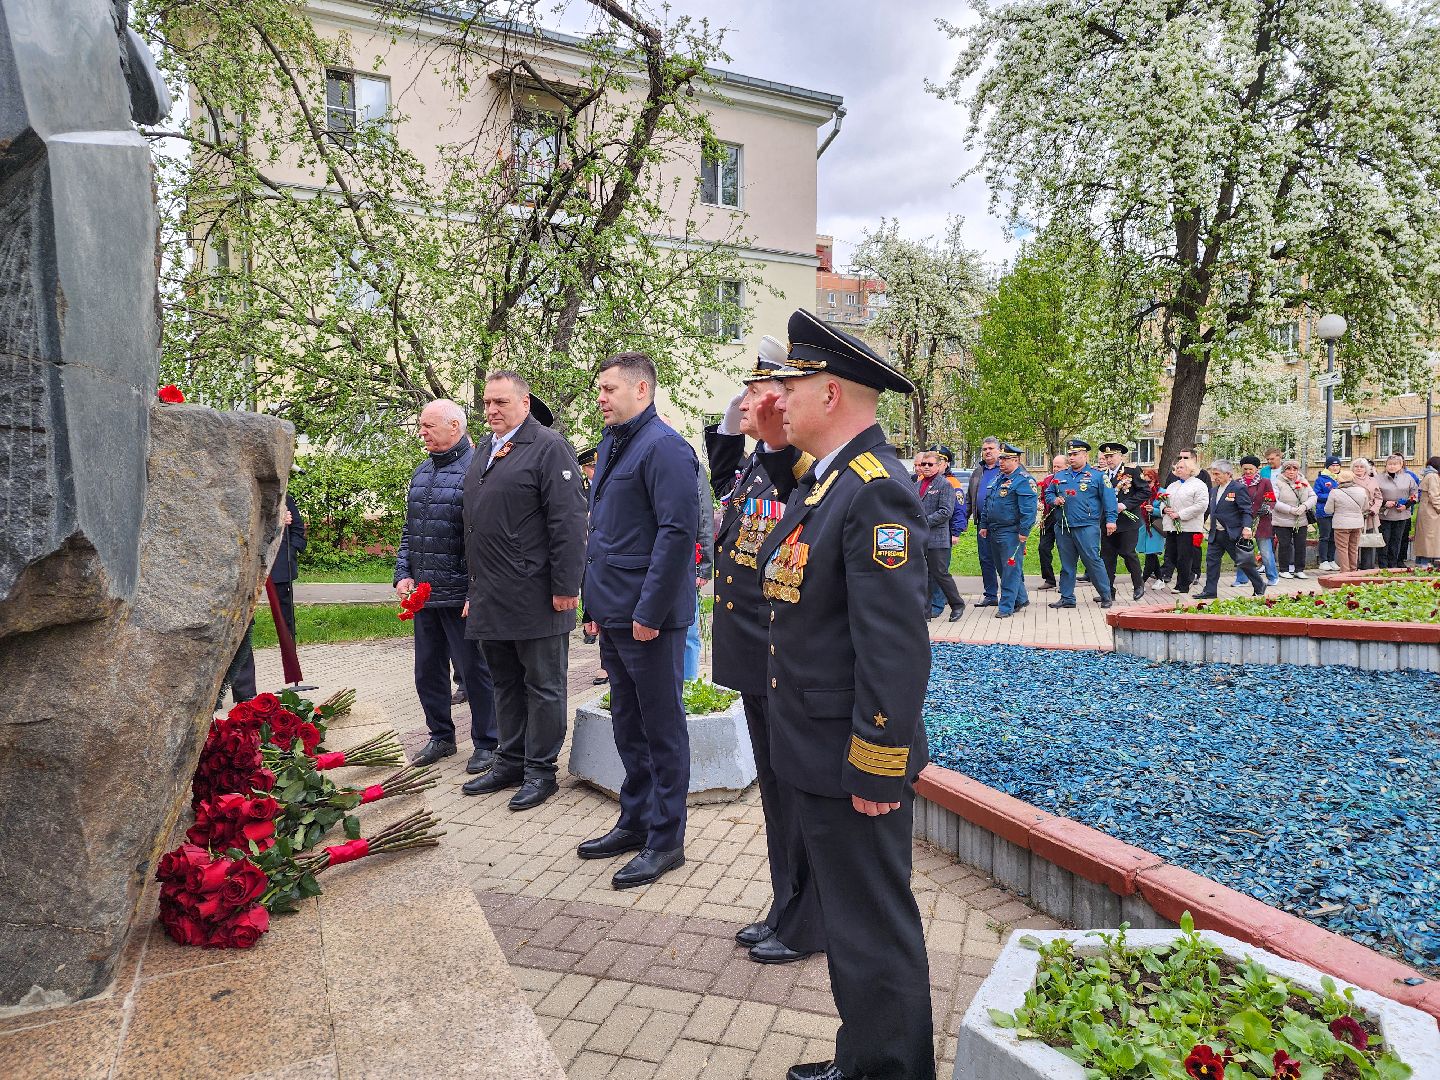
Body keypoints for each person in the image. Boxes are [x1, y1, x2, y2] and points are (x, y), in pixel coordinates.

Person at [758, 308, 934, 1080]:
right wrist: (769, 440)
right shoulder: (831, 480)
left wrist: (877, 762)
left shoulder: (875, 492)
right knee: (853, 925)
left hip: (849, 757)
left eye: (791, 384)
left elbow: (894, 648)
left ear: (830, 393)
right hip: (817, 746)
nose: (778, 397)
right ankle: (865, 1059)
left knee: (873, 928)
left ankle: (891, 1071)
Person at [704, 337, 825, 966]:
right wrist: (737, 416)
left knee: (792, 798)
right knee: (776, 799)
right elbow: (724, 476)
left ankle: (806, 920)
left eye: (758, 392)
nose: (746, 403)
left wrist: (774, 424)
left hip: (779, 655)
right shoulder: (757, 462)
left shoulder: (798, 464)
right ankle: (786, 905)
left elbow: (785, 484)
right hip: (755, 655)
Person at [579, 352, 699, 889]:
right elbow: (604, 530)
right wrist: (595, 606)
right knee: (628, 723)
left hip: (650, 617)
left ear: (642, 390)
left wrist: (648, 612)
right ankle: (635, 820)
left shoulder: (667, 448)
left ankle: (666, 840)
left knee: (662, 728)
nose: (600, 398)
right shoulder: (613, 443)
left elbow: (677, 535)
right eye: (599, 389)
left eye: (608, 389)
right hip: (615, 611)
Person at [459, 374, 587, 810]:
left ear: (525, 402)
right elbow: (474, 526)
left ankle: (541, 770)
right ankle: (509, 761)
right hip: (491, 594)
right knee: (505, 683)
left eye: (501, 402)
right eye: (486, 403)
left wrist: (567, 586)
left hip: (536, 593)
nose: (492, 410)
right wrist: (471, 589)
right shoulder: (485, 449)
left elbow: (568, 521)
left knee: (544, 685)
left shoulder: (549, 447)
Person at [397, 399, 498, 771]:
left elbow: (485, 538)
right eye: (421, 426)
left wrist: (477, 590)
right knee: (427, 671)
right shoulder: (422, 471)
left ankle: (488, 742)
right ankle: (440, 737)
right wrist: (402, 573)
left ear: (455, 427)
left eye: (428, 426)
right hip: (424, 595)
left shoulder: (478, 470)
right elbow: (410, 531)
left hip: (461, 595)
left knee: (475, 671)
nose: (421, 432)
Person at [1044, 439, 1117, 610]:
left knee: (1092, 560)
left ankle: (1106, 595)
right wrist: (1054, 500)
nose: (1071, 458)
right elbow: (1048, 494)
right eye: (1069, 454)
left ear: (1085, 455)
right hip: (1064, 526)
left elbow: (1109, 500)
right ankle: (1067, 597)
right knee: (1067, 564)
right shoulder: (1060, 476)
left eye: (1075, 454)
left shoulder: (1098, 476)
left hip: (1087, 526)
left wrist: (1111, 520)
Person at [980, 443, 1037, 618]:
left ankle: (1006, 607)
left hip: (1012, 532)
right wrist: (983, 525)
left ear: (1017, 460)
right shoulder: (998, 479)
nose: (1002, 462)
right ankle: (1021, 598)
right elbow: (988, 504)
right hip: (994, 530)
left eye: (1006, 459)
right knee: (1002, 569)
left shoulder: (1024, 480)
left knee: (1010, 570)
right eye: (1001, 459)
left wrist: (1024, 532)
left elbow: (1029, 510)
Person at [1195, 460, 1266, 598]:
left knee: (1243, 562)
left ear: (1228, 474)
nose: (1214, 477)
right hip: (1216, 534)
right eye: (1213, 474)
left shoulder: (1238, 488)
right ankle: (1210, 591)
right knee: (1212, 563)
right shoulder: (1214, 490)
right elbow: (1212, 511)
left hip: (1232, 533)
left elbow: (1246, 510)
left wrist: (1247, 527)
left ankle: (1259, 584)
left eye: (1217, 474)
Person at [914, 447, 966, 622]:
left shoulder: (945, 484)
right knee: (925, 575)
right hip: (921, 539)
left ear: (938, 466)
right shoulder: (917, 484)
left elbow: (946, 512)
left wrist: (922, 522)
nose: (926, 467)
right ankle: (926, 611)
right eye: (923, 464)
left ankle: (957, 604)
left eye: (930, 464)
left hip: (937, 538)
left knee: (940, 574)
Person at [1098, 442, 1150, 601]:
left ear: (1120, 456)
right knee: (1107, 556)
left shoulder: (1131, 470)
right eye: (1106, 457)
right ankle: (1108, 591)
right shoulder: (1102, 474)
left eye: (1111, 456)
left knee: (1128, 553)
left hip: (1127, 521)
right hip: (1107, 520)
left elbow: (1145, 491)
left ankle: (1138, 584)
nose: (1108, 460)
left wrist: (1126, 504)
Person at [965, 437, 1004, 606]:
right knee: (986, 559)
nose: (987, 451)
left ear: (999, 450)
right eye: (984, 449)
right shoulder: (978, 471)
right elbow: (969, 498)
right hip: (983, 524)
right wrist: (962, 520)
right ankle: (990, 595)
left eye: (991, 448)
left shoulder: (1006, 467)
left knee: (1006, 560)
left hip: (1003, 524)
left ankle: (1016, 594)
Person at [1161, 456, 1209, 594]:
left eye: (1181, 467)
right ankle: (1183, 579)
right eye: (1177, 467)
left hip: (1188, 527)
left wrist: (1180, 514)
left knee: (1185, 556)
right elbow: (1164, 500)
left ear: (1190, 469)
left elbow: (1201, 505)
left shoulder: (1199, 485)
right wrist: (1165, 509)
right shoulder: (1173, 485)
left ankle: (1183, 585)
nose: (1178, 469)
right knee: (1172, 555)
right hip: (1172, 526)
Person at [1233, 456, 1278, 588]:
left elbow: (1271, 498)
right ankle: (1241, 579)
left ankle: (1272, 576)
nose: (1247, 471)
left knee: (1265, 551)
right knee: (1243, 551)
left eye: (1250, 469)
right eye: (1245, 469)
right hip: (1243, 522)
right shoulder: (1237, 483)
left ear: (1256, 469)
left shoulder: (1264, 482)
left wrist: (1267, 507)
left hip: (1261, 521)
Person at [269, 492, 306, 641]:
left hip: (280, 562)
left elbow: (297, 529)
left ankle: (289, 644)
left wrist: (290, 551)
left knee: (285, 612)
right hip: (253, 563)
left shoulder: (285, 499)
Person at [1270, 460, 1316, 579]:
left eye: (1294, 469)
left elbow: (1313, 496)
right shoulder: (1276, 482)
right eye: (1288, 469)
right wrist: (1290, 510)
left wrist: (1304, 506)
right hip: (1282, 520)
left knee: (1300, 545)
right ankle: (1284, 569)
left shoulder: (1303, 481)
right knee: (1285, 544)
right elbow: (1273, 501)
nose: (1291, 472)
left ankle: (1299, 569)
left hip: (1301, 519)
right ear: (1284, 470)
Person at [1376, 453, 1420, 568]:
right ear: (1386, 465)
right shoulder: (1378, 478)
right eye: (1389, 464)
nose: (1392, 466)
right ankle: (1383, 565)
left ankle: (1393, 565)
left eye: (1395, 464)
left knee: (1397, 540)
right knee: (1384, 540)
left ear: (1401, 465)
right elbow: (1373, 496)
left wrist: (1406, 505)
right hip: (1384, 514)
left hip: (1401, 514)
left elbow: (1414, 494)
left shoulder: (1408, 478)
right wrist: (1385, 503)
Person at [1325, 468, 1369, 572]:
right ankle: (1353, 570)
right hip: (1357, 523)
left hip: (1341, 525)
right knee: (1354, 548)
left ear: (1339, 480)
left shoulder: (1334, 492)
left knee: (1342, 548)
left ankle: (1345, 572)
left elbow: (1328, 510)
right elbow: (1365, 507)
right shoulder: (1362, 491)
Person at [1036, 455, 1066, 589]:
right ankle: (1049, 579)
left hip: (1064, 518)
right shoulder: (1048, 480)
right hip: (1049, 517)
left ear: (1067, 466)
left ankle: (1065, 580)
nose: (1055, 469)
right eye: (1054, 466)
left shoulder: (1070, 480)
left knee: (1065, 550)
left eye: (1059, 466)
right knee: (1043, 548)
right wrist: (1041, 510)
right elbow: (1043, 498)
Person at [1350, 457, 1383, 570]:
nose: (1359, 469)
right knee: (1354, 542)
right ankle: (1353, 567)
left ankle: (1367, 567)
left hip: (1370, 515)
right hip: (1355, 514)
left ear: (1366, 469)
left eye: (1362, 466)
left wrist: (1374, 508)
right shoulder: (1349, 480)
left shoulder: (1373, 480)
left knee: (1368, 541)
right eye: (1356, 466)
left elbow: (1379, 497)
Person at [1136, 467, 1166, 586]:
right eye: (1144, 482)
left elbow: (1167, 510)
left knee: (1151, 553)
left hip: (1156, 527)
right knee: (1150, 553)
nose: (1147, 485)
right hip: (1145, 526)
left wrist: (1154, 510)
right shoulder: (1142, 492)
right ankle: (1160, 579)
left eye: (1149, 482)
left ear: (1155, 480)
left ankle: (1141, 581)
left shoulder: (1162, 492)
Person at [1312, 455, 1342, 570]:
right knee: (1324, 536)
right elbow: (1316, 495)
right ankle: (1323, 560)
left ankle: (1331, 559)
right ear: (1327, 467)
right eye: (1332, 465)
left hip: (1337, 513)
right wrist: (1332, 495)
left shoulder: (1339, 479)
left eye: (1337, 465)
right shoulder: (1321, 479)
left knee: (1333, 537)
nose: (1335, 468)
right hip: (1323, 512)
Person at [1414, 456, 1440, 567]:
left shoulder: (1428, 475)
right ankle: (1427, 566)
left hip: (1426, 511)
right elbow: (1434, 495)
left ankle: (1421, 564)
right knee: (1430, 540)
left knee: (1425, 540)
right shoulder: (1433, 476)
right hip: (1431, 512)